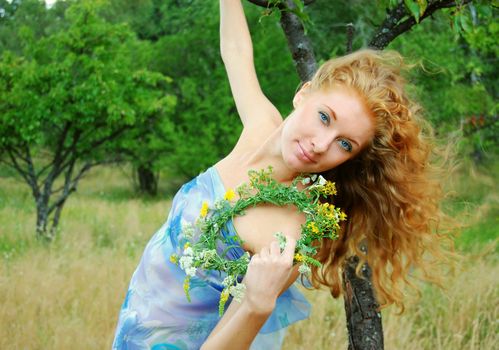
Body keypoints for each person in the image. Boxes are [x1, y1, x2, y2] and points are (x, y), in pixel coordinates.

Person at [113, 1, 452, 349]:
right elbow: (235, 50)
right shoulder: (260, 124)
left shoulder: (292, 233)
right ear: (303, 94)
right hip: (133, 329)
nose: (321, 144)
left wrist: (256, 307)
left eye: (345, 144)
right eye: (324, 117)